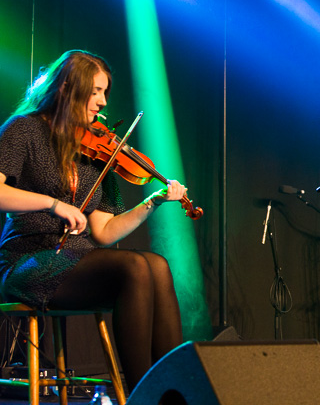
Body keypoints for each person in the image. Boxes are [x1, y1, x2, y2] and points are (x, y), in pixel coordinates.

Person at [0, 50, 184, 392]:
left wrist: (152, 202)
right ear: (68, 87)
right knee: (135, 266)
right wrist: (53, 204)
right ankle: (141, 394)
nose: (102, 102)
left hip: (79, 258)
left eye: (104, 93)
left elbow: (103, 231)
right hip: (27, 258)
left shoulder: (99, 150)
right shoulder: (22, 130)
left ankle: (172, 393)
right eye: (95, 91)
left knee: (156, 265)